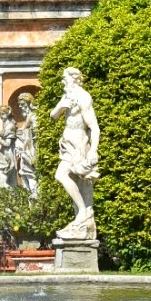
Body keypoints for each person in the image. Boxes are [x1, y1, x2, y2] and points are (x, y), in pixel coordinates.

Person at [49, 68, 99, 239]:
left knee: (61, 175)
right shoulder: (67, 95)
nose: (62, 81)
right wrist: (61, 106)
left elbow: (94, 127)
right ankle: (82, 217)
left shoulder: (83, 97)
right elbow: (53, 116)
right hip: (67, 143)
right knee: (74, 180)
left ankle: (83, 213)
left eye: (65, 78)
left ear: (75, 79)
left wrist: (93, 150)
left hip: (78, 142)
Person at [15, 92, 39, 198]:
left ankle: (35, 196)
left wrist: (22, 136)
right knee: (24, 173)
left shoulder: (33, 116)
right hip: (26, 150)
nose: (21, 107)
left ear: (29, 103)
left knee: (30, 174)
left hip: (31, 150)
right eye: (20, 104)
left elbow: (36, 133)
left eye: (22, 104)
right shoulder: (29, 116)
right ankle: (30, 196)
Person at [0, 105, 19, 188]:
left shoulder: (10, 126)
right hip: (4, 153)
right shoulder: (6, 125)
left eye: (3, 114)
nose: (1, 116)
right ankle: (13, 194)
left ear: (7, 114)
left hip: (7, 155)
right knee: (8, 182)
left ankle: (12, 194)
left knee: (2, 184)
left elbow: (8, 144)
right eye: (0, 114)